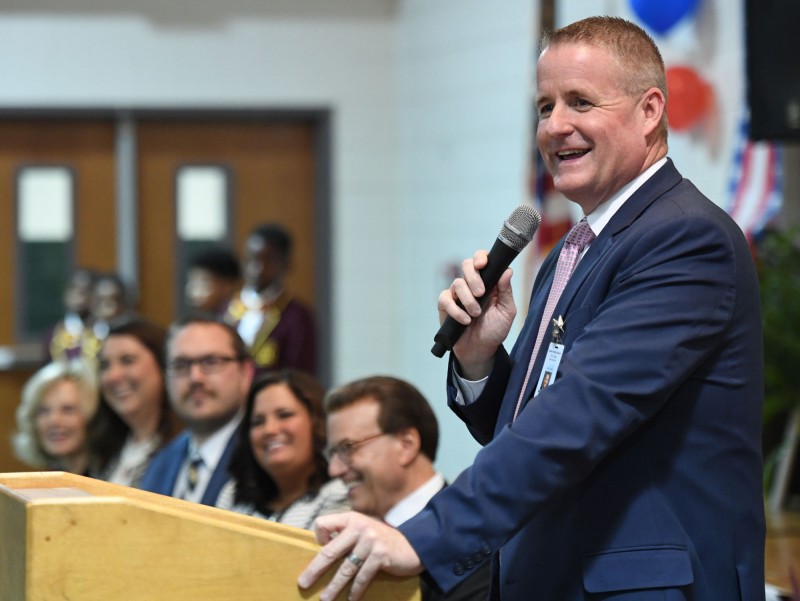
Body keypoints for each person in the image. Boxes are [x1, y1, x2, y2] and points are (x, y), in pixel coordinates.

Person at [299, 16, 765, 601]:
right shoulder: (574, 249)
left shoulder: (683, 239)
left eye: (580, 102)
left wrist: (424, 537)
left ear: (650, 111)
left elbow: (581, 415)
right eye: (545, 107)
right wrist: (480, 359)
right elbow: (527, 425)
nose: (556, 126)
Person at [323, 376, 490, 601]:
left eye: (347, 448)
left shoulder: (474, 540)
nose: (334, 470)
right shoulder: (350, 543)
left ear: (406, 445)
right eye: (332, 453)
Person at [140, 315, 255, 506]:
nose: (195, 377)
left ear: (246, 372)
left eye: (211, 362)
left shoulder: (263, 459)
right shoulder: (160, 463)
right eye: (181, 365)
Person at [215, 369, 349, 529]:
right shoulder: (233, 495)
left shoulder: (339, 495)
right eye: (258, 422)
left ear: (317, 422)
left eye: (284, 415)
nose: (269, 430)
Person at [89, 317, 180, 487]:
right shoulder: (104, 449)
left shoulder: (184, 451)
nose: (113, 376)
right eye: (105, 365)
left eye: (127, 361)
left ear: (163, 365)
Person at [223, 223, 316, 375]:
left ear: (286, 264)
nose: (256, 269)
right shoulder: (228, 306)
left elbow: (300, 373)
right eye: (251, 259)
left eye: (268, 261)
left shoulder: (297, 316)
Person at [12, 359, 98, 475]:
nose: (54, 420)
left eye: (67, 410)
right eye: (44, 411)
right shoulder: (52, 479)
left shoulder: (112, 479)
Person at [44, 267, 98, 363]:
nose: (79, 296)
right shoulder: (53, 334)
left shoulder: (101, 331)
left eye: (85, 291)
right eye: (74, 289)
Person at [184, 245, 241, 315]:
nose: (194, 290)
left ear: (226, 286)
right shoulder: (191, 322)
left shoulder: (239, 319)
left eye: (203, 282)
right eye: (192, 281)